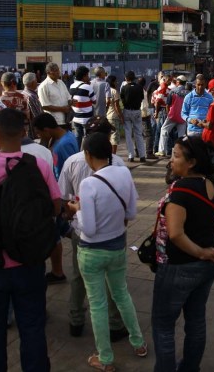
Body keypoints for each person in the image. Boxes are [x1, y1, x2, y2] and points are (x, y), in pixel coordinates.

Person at [0, 108, 61, 372]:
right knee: (33, 328)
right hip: (29, 261)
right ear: (24, 133)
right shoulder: (39, 164)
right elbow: (56, 206)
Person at [152, 135, 214, 372]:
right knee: (195, 319)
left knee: (163, 325)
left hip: (179, 265)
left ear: (191, 162)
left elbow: (175, 234)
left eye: (175, 155)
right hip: (208, 266)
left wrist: (202, 251)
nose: (171, 160)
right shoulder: (213, 183)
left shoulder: (180, 190)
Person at [67, 132, 147, 371]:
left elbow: (88, 229)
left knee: (98, 304)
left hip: (92, 252)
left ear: (88, 155)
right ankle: (138, 342)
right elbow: (130, 214)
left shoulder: (89, 183)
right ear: (111, 152)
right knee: (122, 295)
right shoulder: (123, 173)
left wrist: (76, 212)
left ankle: (105, 358)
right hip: (117, 246)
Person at [58, 117, 129, 342]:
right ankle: (116, 324)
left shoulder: (72, 161)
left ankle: (76, 320)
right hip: (114, 232)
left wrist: (72, 213)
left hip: (83, 235)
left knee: (79, 278)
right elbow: (128, 205)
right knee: (113, 281)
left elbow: (63, 197)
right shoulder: (118, 164)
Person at [33, 112, 78, 284]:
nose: (38, 137)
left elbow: (68, 173)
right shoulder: (63, 138)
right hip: (60, 194)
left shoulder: (63, 145)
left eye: (39, 133)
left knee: (60, 229)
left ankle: (80, 243)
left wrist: (65, 201)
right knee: (60, 229)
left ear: (46, 129)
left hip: (61, 195)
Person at [157, 75, 189, 157]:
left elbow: (168, 104)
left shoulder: (173, 91)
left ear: (178, 82)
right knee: (181, 135)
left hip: (173, 116)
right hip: (183, 117)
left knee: (164, 130)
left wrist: (168, 114)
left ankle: (162, 150)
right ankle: (182, 152)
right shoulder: (188, 93)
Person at [120, 71, 146, 163]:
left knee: (128, 134)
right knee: (139, 134)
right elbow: (142, 98)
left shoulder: (124, 88)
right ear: (134, 78)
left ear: (126, 78)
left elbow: (122, 99)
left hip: (127, 110)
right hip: (137, 111)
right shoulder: (139, 87)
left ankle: (131, 156)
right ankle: (142, 155)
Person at [38, 63, 72, 129]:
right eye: (55, 71)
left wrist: (71, 102)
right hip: (54, 122)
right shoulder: (43, 86)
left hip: (66, 120)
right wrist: (62, 109)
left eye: (58, 70)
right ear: (48, 72)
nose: (58, 73)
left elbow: (68, 97)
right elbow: (45, 106)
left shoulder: (61, 83)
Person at [69, 66, 96, 149]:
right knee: (88, 138)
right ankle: (86, 154)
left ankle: (77, 153)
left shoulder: (72, 86)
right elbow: (94, 101)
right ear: (84, 76)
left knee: (78, 137)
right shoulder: (87, 87)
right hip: (87, 118)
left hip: (76, 117)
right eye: (87, 75)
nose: (88, 77)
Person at [21, 72, 43, 140]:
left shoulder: (23, 94)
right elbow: (37, 116)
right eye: (36, 80)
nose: (37, 82)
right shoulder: (31, 96)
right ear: (33, 82)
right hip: (33, 132)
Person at [105, 75, 123, 155]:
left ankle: (108, 153)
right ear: (112, 82)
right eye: (115, 81)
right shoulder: (114, 91)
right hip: (114, 116)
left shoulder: (106, 91)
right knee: (114, 137)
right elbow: (117, 106)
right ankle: (113, 155)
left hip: (107, 115)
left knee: (108, 136)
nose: (117, 83)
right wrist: (121, 116)